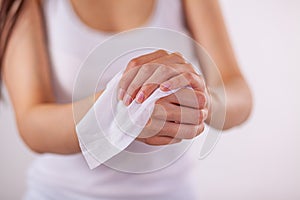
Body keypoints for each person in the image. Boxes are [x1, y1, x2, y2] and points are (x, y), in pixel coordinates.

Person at [0, 0, 252, 199]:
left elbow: (237, 90)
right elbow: (31, 123)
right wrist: (122, 108)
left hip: (171, 193)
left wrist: (202, 100)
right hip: (60, 194)